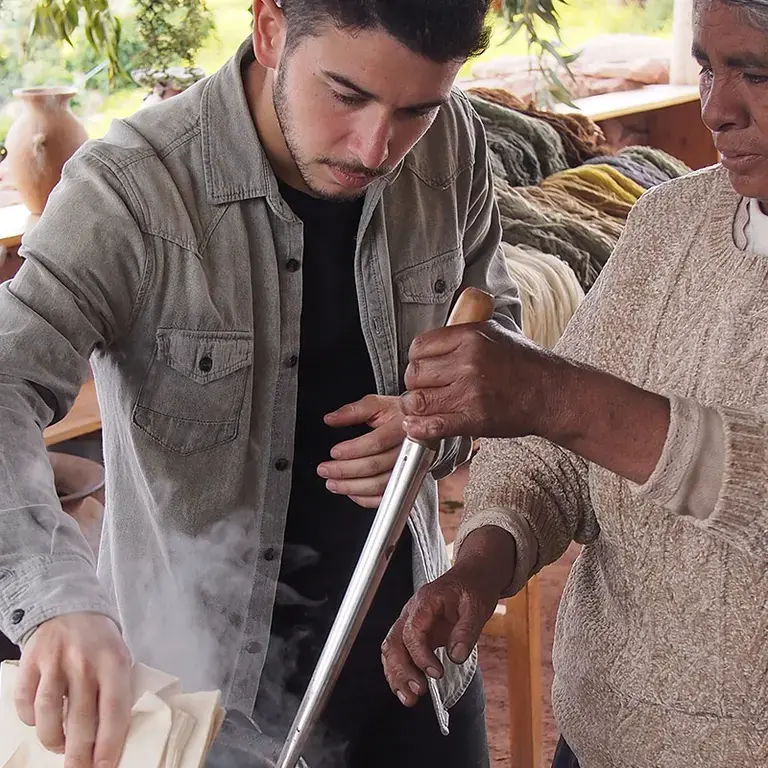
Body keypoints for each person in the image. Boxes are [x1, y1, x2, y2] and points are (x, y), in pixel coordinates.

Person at [0, 1, 521, 766]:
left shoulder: (452, 144)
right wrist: (57, 601)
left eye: (414, 110)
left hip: (414, 666)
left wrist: (438, 426)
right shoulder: (132, 190)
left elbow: (495, 327)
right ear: (271, 27)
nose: (376, 147)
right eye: (346, 95)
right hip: (200, 703)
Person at [380, 1, 768, 765]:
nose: (717, 108)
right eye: (705, 67)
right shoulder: (669, 223)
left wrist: (557, 394)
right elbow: (553, 454)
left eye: (756, 73)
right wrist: (483, 561)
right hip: (599, 739)